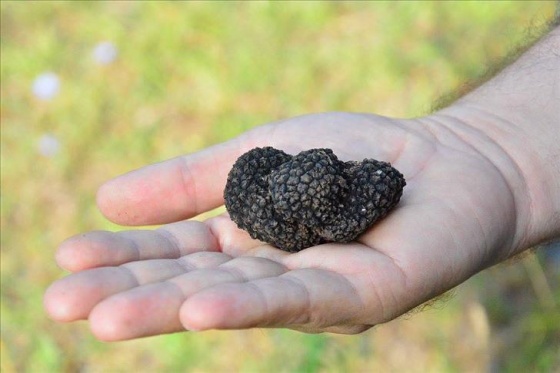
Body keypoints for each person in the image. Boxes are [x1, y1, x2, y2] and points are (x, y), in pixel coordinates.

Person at [44, 24, 559, 341]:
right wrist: (503, 144)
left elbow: (374, 179)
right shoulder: (280, 194)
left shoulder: (346, 192)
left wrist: (502, 153)